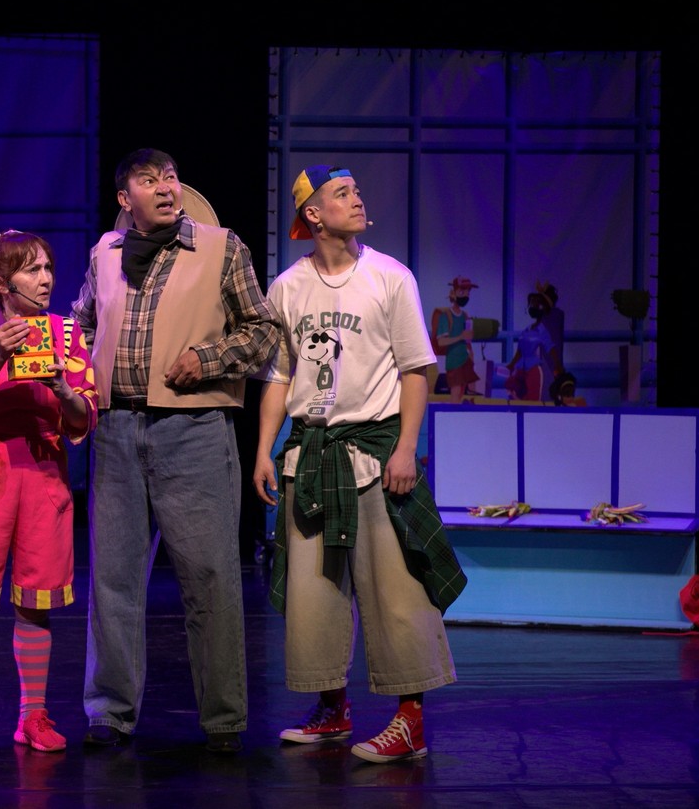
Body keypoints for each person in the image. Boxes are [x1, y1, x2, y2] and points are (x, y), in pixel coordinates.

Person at [252, 164, 467, 764]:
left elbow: (417, 369)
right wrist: (264, 449)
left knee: (398, 589)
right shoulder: (287, 287)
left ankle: (410, 720)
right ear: (313, 214)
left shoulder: (390, 276)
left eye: (356, 191)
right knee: (314, 591)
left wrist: (406, 447)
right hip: (310, 453)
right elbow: (279, 376)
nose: (357, 199)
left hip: (374, 451)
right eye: (342, 193)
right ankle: (333, 708)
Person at [72, 148, 279, 753]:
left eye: (170, 177)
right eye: (149, 179)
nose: (166, 187)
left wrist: (208, 359)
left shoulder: (221, 247)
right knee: (113, 579)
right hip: (116, 429)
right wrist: (71, 374)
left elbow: (263, 329)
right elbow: (82, 325)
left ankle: (223, 720)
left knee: (210, 577)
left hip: (193, 430)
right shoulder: (105, 254)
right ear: (125, 198)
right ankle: (109, 712)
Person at [0, 228, 98, 756]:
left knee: (35, 605)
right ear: (2, 283)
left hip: (44, 477)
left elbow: (85, 415)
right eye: (33, 270)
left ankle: (33, 715)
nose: (46, 278)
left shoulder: (66, 333)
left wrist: (63, 390)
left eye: (48, 267)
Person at [431, 276, 480, 403]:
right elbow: (441, 341)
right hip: (454, 361)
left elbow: (467, 340)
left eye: (468, 292)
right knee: (456, 391)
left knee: (470, 389)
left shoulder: (465, 316)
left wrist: (471, 352)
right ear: (454, 292)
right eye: (462, 291)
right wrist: (460, 337)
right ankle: (452, 413)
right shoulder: (446, 316)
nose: (466, 295)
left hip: (465, 359)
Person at [505, 283, 556, 401]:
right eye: (531, 303)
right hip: (520, 369)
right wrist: (512, 365)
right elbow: (519, 351)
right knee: (512, 393)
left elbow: (551, 348)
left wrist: (558, 367)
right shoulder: (526, 330)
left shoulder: (542, 330)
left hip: (533, 369)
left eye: (535, 304)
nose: (532, 306)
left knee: (531, 400)